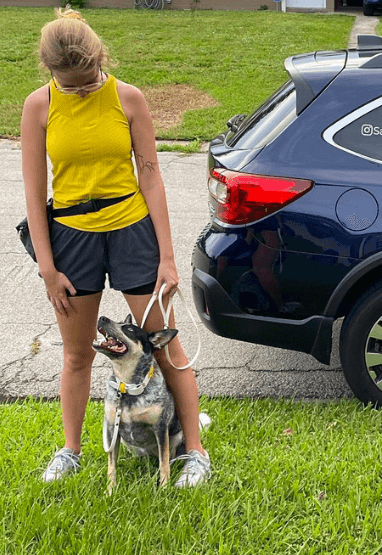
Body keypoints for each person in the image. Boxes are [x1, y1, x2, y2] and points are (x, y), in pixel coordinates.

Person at [21, 7, 212, 487]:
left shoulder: (128, 98)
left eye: (88, 81)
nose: (81, 90)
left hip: (131, 230)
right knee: (77, 354)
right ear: (50, 72)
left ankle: (195, 451)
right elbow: (31, 189)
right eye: (70, 84)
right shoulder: (38, 106)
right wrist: (47, 268)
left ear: (100, 59)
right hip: (71, 237)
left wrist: (167, 257)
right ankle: (70, 450)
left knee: (166, 346)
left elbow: (151, 175)